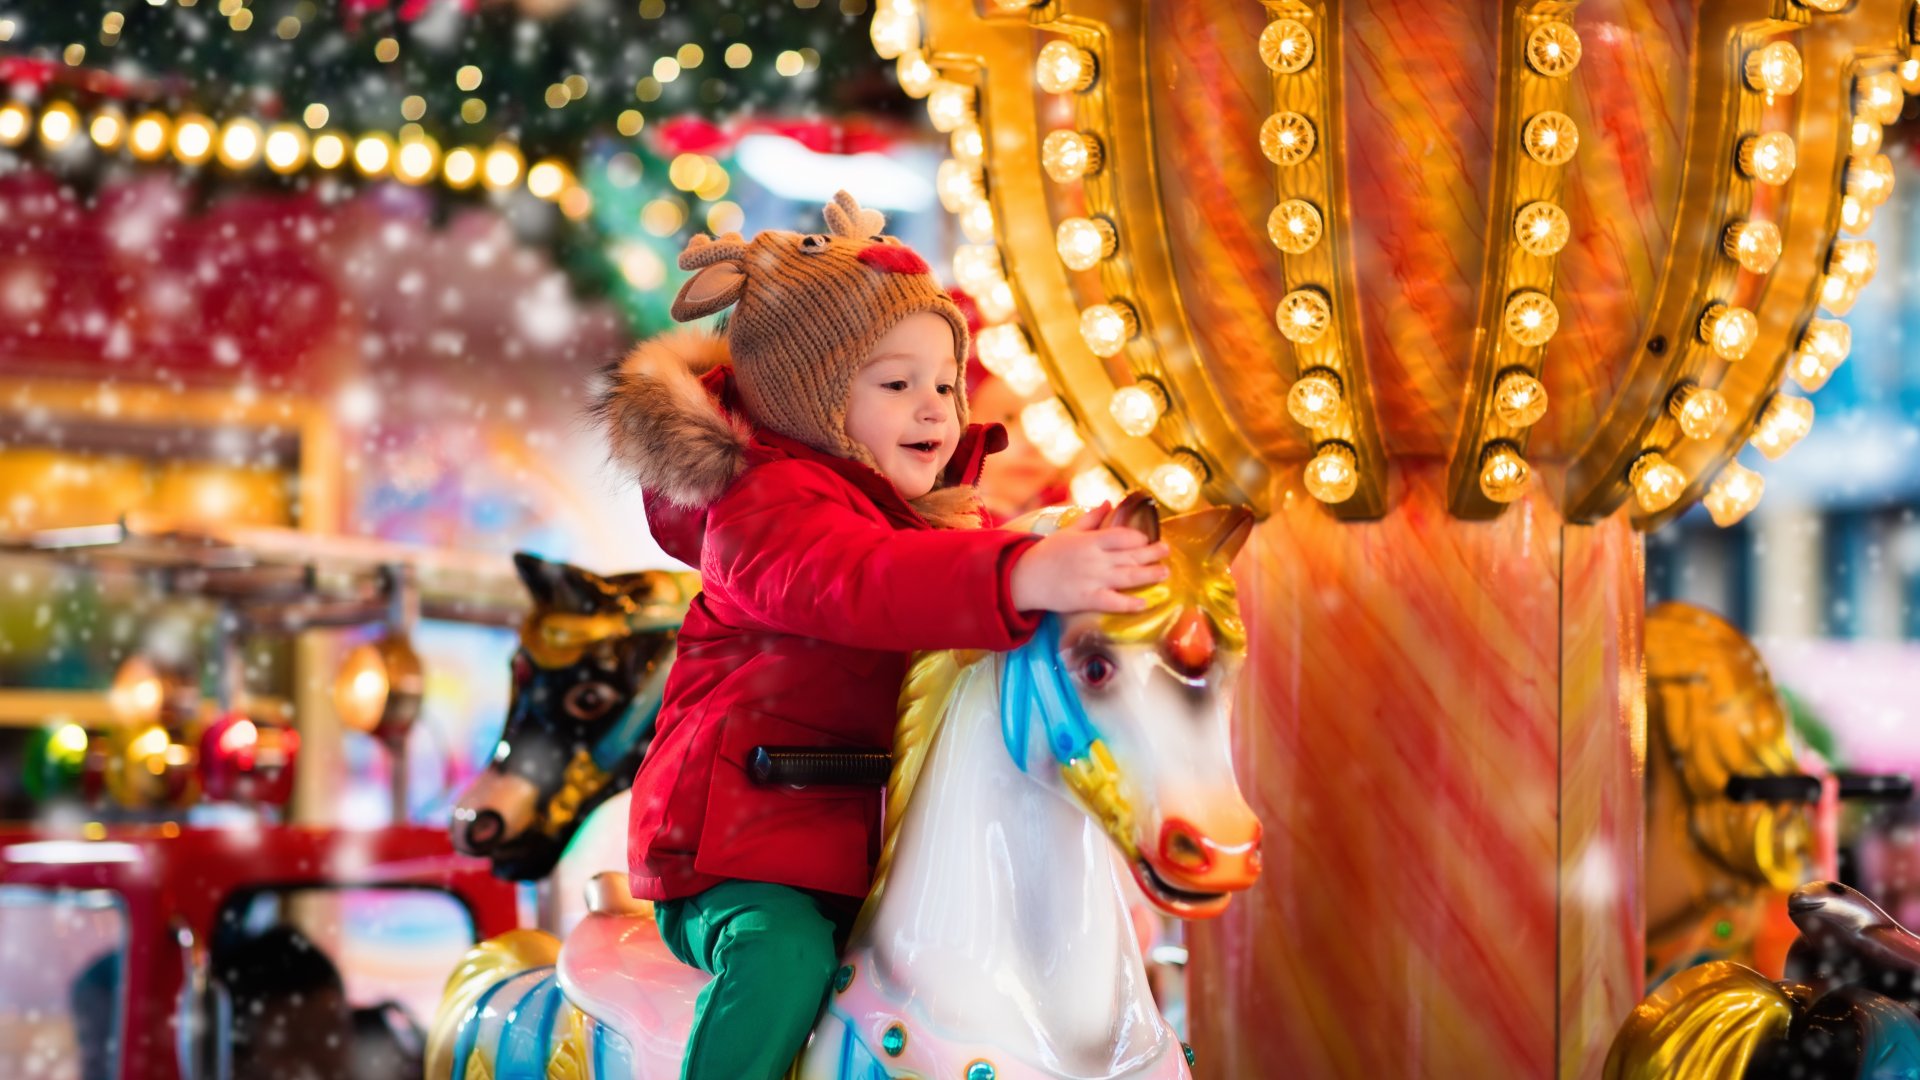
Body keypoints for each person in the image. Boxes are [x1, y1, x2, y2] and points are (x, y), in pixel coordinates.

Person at [594, 191, 1167, 1080]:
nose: (936, 409)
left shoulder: (932, 524)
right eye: (896, 385)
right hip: (745, 843)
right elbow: (858, 581)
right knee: (784, 960)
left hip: (879, 842)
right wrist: (1021, 574)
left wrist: (1068, 548)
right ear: (809, 398)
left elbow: (959, 595)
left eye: (946, 383)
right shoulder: (760, 512)